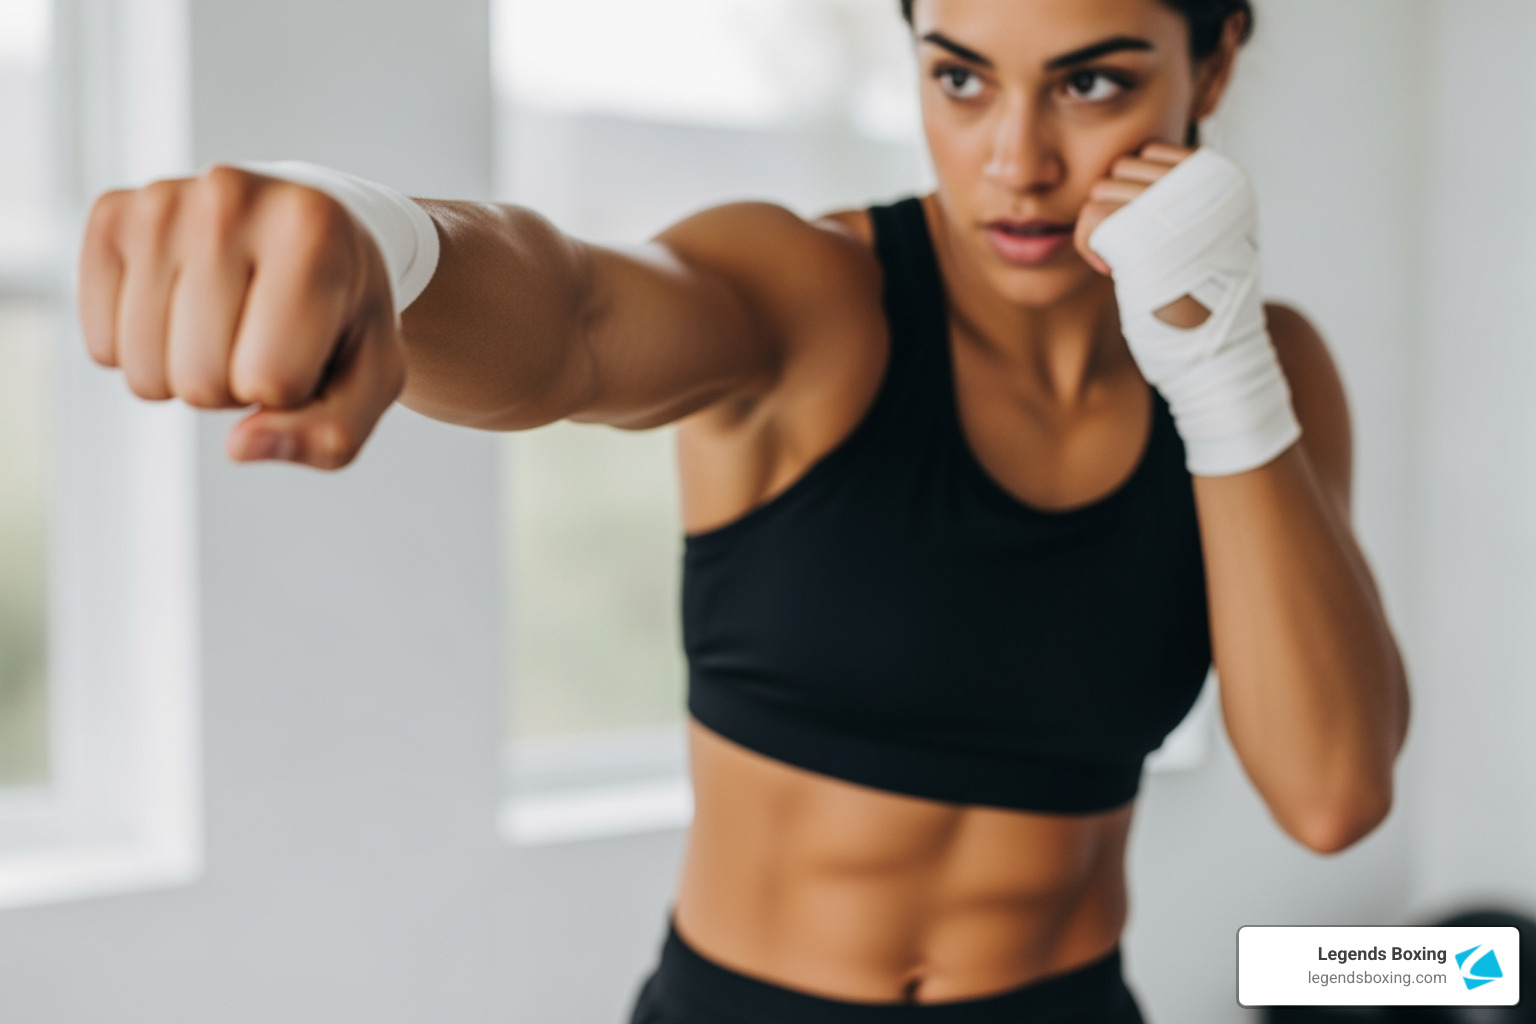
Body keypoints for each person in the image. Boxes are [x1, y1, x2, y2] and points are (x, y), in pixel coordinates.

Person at [76, 0, 1410, 1019]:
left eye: (1093, 83)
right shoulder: (816, 299)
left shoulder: (1261, 367)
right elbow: (579, 314)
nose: (1016, 161)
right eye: (960, 77)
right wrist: (384, 241)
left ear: (1216, 62)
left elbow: (1332, 793)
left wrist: (1221, 375)